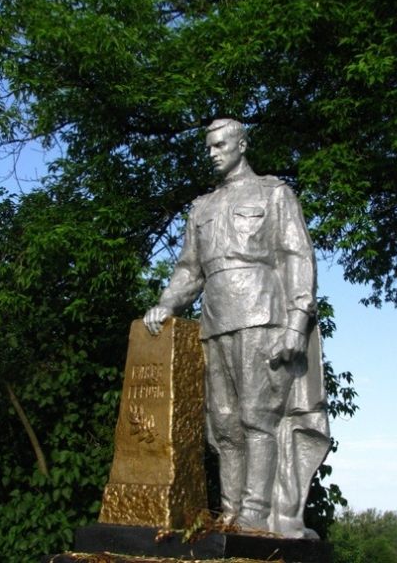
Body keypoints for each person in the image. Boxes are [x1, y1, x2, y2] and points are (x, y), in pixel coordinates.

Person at [144, 119, 330, 538]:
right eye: (209, 146)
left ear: (242, 145)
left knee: (257, 418)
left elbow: (298, 257)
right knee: (224, 424)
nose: (213, 152)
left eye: (221, 144)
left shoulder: (274, 194)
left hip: (262, 315)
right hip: (215, 322)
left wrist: (297, 324)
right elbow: (190, 270)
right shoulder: (201, 209)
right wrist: (165, 303)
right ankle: (229, 513)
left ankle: (255, 514)